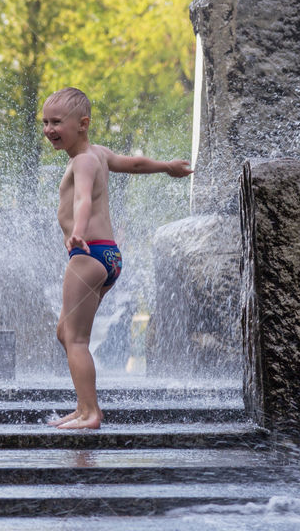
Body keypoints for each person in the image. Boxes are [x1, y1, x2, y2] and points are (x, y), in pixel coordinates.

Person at [41, 87, 193, 429]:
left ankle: (90, 413)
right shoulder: (99, 154)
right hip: (108, 257)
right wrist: (167, 167)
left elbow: (83, 200)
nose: (49, 129)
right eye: (45, 122)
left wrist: (79, 232)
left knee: (76, 338)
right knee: (66, 332)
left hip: (87, 254)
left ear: (82, 124)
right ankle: (83, 407)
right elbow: (134, 163)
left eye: (57, 122)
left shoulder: (83, 160)